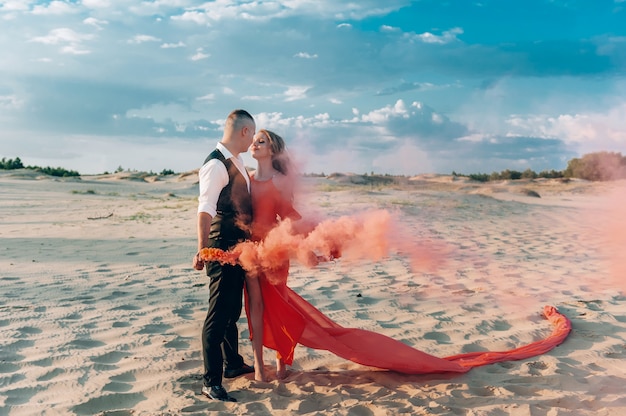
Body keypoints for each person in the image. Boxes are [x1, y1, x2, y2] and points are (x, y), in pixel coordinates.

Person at [240, 129, 572, 381]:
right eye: (253, 141)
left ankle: (283, 364)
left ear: (274, 150)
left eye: (261, 141)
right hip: (250, 250)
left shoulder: (281, 183)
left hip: (276, 250)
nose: (254, 145)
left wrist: (317, 245)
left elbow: (293, 219)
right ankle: (258, 368)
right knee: (254, 305)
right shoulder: (247, 178)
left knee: (278, 304)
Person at [192, 109, 256, 402]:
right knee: (218, 316)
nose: (253, 139)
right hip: (221, 246)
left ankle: (232, 365)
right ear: (244, 131)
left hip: (238, 246)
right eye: (252, 134)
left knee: (232, 311)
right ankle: (211, 382)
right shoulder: (216, 165)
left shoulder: (238, 162)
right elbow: (204, 209)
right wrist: (202, 249)